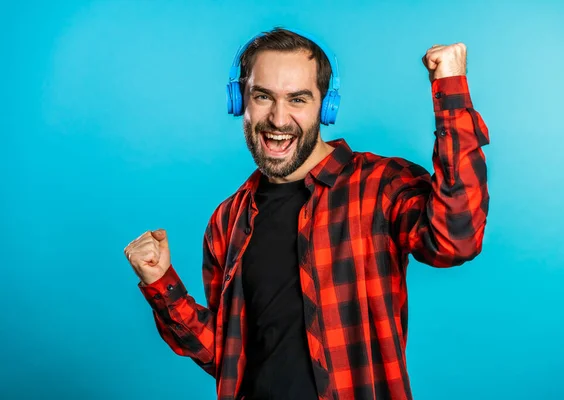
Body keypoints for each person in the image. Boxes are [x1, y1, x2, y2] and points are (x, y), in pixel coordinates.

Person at [124, 27, 490, 400]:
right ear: (239, 102)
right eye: (263, 96)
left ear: (325, 107)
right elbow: (228, 355)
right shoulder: (227, 221)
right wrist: (161, 283)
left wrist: (451, 90)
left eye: (297, 99)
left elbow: (456, 240)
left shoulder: (381, 186)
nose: (278, 119)